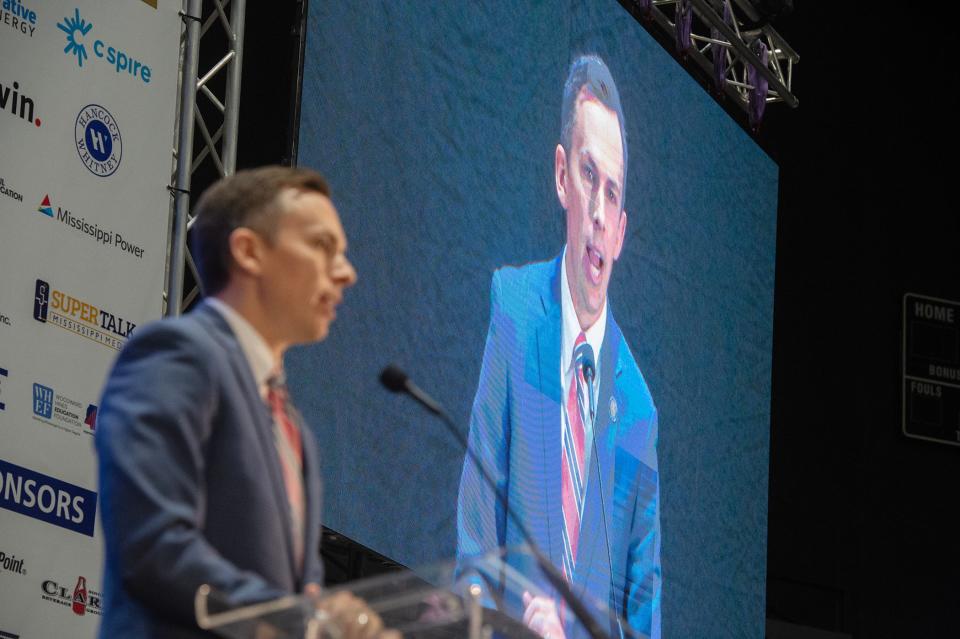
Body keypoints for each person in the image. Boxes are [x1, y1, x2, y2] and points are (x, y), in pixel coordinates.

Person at [95, 166, 393, 639]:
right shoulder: (179, 354)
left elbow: (300, 596)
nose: (347, 273)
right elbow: (151, 546)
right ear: (249, 251)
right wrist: (305, 620)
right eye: (322, 246)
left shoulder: (294, 427)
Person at [456, 56, 662, 639]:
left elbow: (644, 621)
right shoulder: (516, 313)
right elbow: (476, 542)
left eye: (613, 193)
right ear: (561, 176)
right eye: (589, 176)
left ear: (622, 231)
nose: (598, 212)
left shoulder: (639, 411)